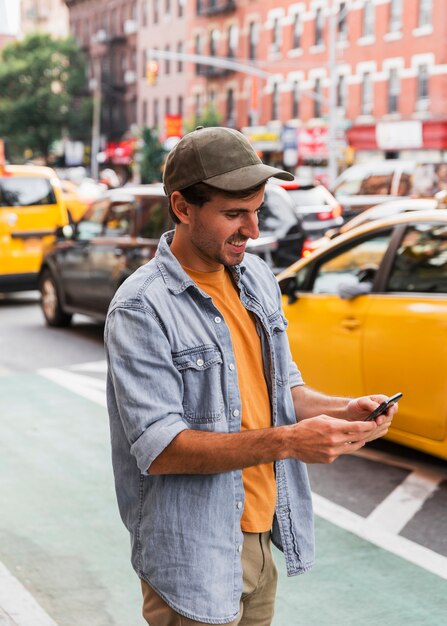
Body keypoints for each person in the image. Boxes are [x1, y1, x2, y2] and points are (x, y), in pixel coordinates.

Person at [104, 127, 397, 626]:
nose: (253, 228)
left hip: (261, 537)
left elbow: (283, 388)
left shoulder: (257, 276)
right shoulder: (139, 308)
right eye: (234, 213)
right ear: (182, 207)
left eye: (257, 209)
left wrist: (341, 409)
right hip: (193, 552)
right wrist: (290, 442)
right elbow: (163, 448)